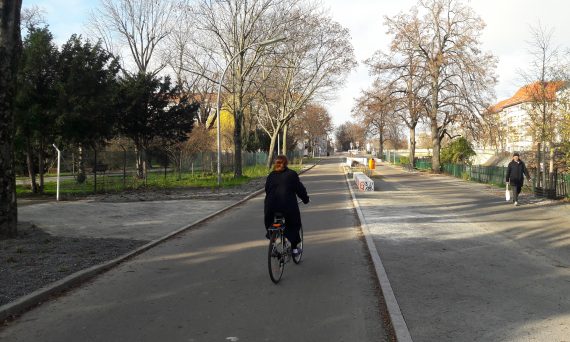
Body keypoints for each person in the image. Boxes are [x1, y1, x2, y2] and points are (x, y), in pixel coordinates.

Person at [264, 155, 309, 257]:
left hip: (270, 207)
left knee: (271, 224)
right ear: (286, 163)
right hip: (287, 207)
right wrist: (305, 199)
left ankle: (273, 246)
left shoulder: (271, 175)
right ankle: (294, 250)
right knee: (294, 223)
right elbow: (300, 189)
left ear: (275, 164)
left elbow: (267, 189)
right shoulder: (291, 174)